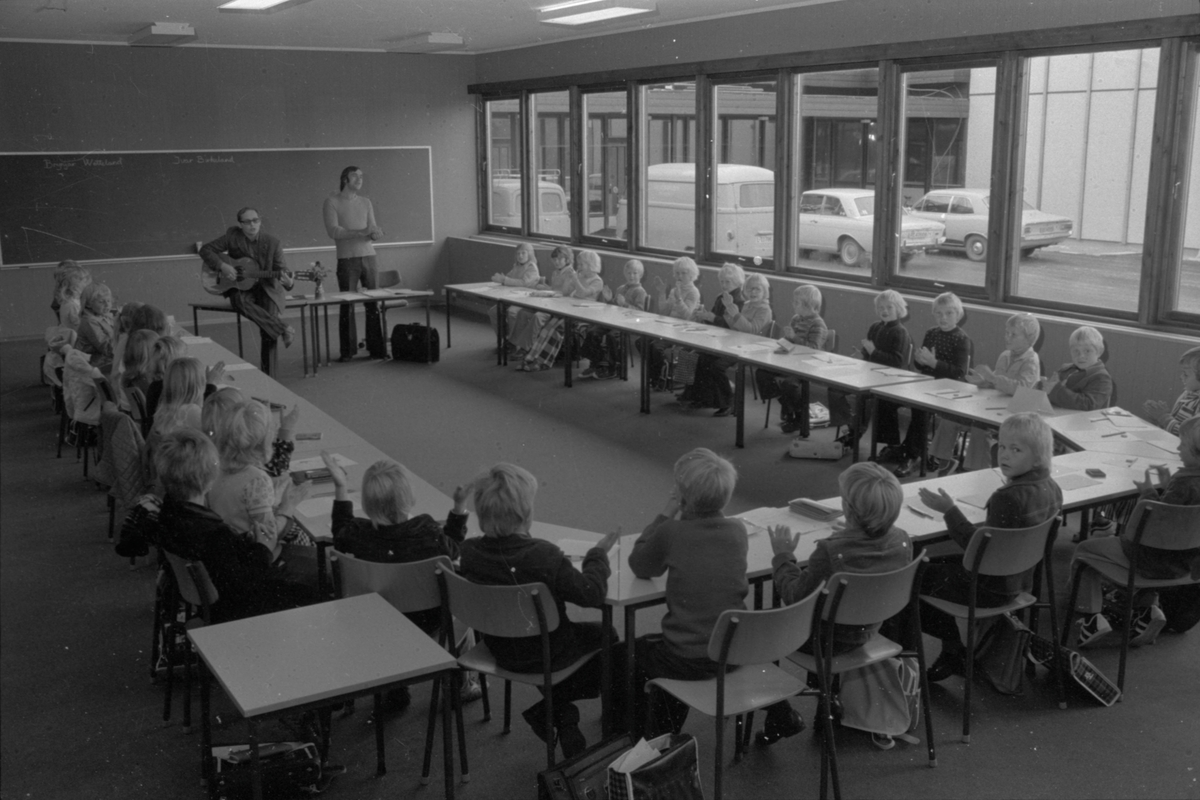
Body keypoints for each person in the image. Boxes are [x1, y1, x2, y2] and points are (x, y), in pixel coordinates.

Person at [457, 463, 621, 759]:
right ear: (526, 513)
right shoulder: (544, 555)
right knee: (607, 634)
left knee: (543, 645)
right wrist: (597, 556)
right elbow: (592, 594)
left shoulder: (469, 553)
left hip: (500, 649)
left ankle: (558, 712)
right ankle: (567, 710)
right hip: (550, 652)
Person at [765, 462, 912, 747]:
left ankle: (778, 710)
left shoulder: (830, 552)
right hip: (868, 631)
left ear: (849, 509)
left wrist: (783, 557)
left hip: (823, 641)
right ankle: (824, 698)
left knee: (765, 621)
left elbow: (794, 596)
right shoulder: (902, 541)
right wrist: (852, 534)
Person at [917, 412, 1063, 681]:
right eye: (1003, 446)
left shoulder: (1007, 497)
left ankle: (953, 650)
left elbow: (979, 552)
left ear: (1039, 456)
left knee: (914, 573)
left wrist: (949, 510)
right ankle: (956, 651)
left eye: (1015, 450)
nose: (1004, 455)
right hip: (1021, 581)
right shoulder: (1053, 488)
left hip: (990, 588)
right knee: (930, 563)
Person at [627, 448, 748, 737]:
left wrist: (664, 515)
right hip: (732, 652)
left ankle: (642, 736)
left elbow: (640, 565)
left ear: (682, 496)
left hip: (685, 657)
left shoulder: (672, 531)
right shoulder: (738, 530)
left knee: (629, 654)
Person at [154, 429, 316, 624]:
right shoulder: (214, 534)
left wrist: (246, 541)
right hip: (237, 610)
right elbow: (247, 582)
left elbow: (224, 562)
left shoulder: (169, 509)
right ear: (209, 479)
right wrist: (263, 546)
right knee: (317, 583)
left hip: (211, 599)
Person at [1070, 415, 1200, 647]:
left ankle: (1091, 619)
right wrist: (1166, 486)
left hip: (1148, 559)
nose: (1178, 448)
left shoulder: (1183, 483)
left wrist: (1148, 492)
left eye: (1183, 445)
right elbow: (1178, 517)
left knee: (1083, 551)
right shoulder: (1185, 482)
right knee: (1146, 553)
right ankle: (1147, 611)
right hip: (1184, 565)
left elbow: (1149, 527)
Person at [207, 400, 316, 585]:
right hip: (255, 564)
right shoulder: (256, 479)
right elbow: (268, 536)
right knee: (321, 560)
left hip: (228, 555)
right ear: (265, 441)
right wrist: (287, 507)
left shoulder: (212, 463)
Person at [930, 312, 1042, 472]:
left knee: (979, 429)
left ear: (1029, 339)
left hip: (1013, 414)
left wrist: (993, 378)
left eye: (1013, 334)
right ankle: (944, 461)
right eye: (1006, 333)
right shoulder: (1005, 355)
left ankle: (975, 470)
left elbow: (1022, 388)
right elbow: (995, 383)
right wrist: (983, 381)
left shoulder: (1031, 360)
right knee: (949, 419)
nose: (1007, 337)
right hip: (992, 407)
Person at [200, 207, 296, 375]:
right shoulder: (232, 236)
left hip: (266, 288)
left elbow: (282, 270)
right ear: (240, 224)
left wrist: (289, 282)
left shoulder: (273, 243)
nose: (252, 225)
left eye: (256, 220)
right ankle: (283, 328)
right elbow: (205, 250)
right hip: (242, 287)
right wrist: (223, 265)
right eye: (247, 222)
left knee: (268, 323)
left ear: (260, 221)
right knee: (238, 301)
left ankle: (269, 376)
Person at [893, 292, 973, 477]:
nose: (943, 318)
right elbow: (921, 365)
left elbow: (959, 372)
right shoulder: (931, 333)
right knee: (915, 404)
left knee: (921, 410)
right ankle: (916, 449)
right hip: (928, 383)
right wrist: (920, 360)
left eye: (948, 313)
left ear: (958, 315)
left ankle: (913, 454)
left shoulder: (962, 339)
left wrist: (933, 363)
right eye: (938, 313)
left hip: (949, 388)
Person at [829, 290, 912, 450]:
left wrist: (873, 352)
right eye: (881, 307)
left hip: (888, 380)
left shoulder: (900, 332)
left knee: (871, 400)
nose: (884, 311)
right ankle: (851, 426)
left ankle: (881, 441)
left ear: (899, 309)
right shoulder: (875, 326)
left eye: (889, 307)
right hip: (868, 375)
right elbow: (867, 354)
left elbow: (896, 362)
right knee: (834, 389)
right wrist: (861, 354)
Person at [324, 166, 387, 361]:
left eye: (361, 176)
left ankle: (377, 349)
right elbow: (334, 231)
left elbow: (371, 229)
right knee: (347, 305)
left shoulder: (366, 202)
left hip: (369, 256)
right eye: (355, 176)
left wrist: (375, 234)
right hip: (347, 259)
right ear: (345, 179)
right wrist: (361, 232)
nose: (360, 179)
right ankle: (347, 352)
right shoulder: (332, 202)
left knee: (372, 303)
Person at [756, 284, 829, 435]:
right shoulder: (796, 319)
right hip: (790, 362)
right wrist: (784, 342)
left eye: (796, 302)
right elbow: (789, 341)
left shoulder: (818, 324)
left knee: (790, 384)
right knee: (762, 373)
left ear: (808, 305)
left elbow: (813, 348)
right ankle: (788, 406)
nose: (793, 305)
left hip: (806, 365)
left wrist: (794, 338)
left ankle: (800, 417)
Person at [517, 248, 604, 372]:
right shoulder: (580, 276)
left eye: (581, 264)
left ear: (591, 265)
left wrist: (575, 279)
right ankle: (531, 357)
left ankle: (543, 361)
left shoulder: (597, 281)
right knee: (548, 328)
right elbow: (568, 293)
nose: (578, 267)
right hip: (570, 310)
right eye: (578, 264)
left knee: (556, 329)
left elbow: (583, 293)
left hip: (583, 315)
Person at [580, 258, 648, 380]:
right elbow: (615, 308)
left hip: (628, 325)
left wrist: (625, 304)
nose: (631, 276)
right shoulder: (620, 288)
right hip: (614, 321)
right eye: (628, 273)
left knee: (612, 337)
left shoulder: (640, 292)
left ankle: (613, 368)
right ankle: (596, 363)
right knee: (592, 332)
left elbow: (640, 313)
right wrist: (609, 300)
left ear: (641, 275)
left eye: (635, 273)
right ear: (624, 274)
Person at [642, 257, 702, 391]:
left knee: (656, 348)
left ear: (691, 274)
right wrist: (662, 292)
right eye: (678, 273)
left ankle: (657, 378)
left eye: (684, 273)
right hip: (670, 326)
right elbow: (664, 311)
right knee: (642, 342)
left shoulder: (693, 292)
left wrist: (679, 299)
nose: (680, 276)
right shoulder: (675, 289)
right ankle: (659, 372)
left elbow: (687, 316)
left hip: (683, 330)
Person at [508, 245, 572, 355]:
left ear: (567, 259)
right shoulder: (556, 272)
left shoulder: (570, 273)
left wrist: (545, 292)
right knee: (523, 313)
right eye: (554, 259)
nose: (556, 262)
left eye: (560, 259)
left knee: (537, 316)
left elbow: (564, 293)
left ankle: (526, 347)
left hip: (560, 307)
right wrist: (546, 288)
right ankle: (513, 343)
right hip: (551, 303)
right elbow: (554, 289)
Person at [1039, 325, 1112, 410]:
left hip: (1084, 421)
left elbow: (1088, 404)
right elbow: (1050, 395)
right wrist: (1043, 386)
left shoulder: (1102, 378)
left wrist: (1055, 389)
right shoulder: (1065, 370)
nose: (1081, 356)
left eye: (1087, 351)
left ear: (1099, 351)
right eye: (1076, 351)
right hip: (1061, 416)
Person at [487, 242, 541, 341]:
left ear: (529, 254)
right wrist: (502, 279)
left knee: (512, 312)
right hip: (514, 298)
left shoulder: (531, 267)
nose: (520, 256)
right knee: (494, 312)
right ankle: (504, 338)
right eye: (518, 253)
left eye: (523, 253)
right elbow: (509, 277)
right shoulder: (516, 266)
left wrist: (504, 280)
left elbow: (523, 283)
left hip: (526, 299)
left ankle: (513, 342)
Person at [1142, 346, 1200, 435]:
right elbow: (1175, 427)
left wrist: (1163, 418)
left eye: (1186, 374)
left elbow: (1189, 437)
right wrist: (1158, 418)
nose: (1181, 377)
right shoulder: (1188, 394)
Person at [75, 283, 115, 373]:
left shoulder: (103, 316)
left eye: (108, 300)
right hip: (93, 364)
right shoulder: (90, 322)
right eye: (101, 302)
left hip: (102, 358)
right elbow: (105, 348)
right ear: (88, 304)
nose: (106, 304)